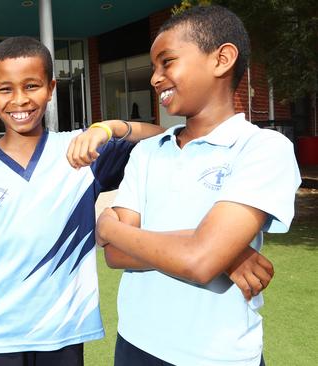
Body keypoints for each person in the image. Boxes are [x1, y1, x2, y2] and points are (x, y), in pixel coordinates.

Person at [0, 36, 165, 365]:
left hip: (62, 332)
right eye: (5, 89)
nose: (19, 100)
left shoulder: (82, 151)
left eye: (31, 86)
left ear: (51, 87)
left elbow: (163, 136)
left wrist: (106, 127)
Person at [96, 5, 301, 366]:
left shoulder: (262, 148)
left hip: (217, 355)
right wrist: (226, 251)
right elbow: (114, 254)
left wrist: (110, 226)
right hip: (135, 343)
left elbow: (200, 260)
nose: (155, 78)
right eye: (155, 67)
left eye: (167, 61)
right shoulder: (147, 152)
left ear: (221, 59)